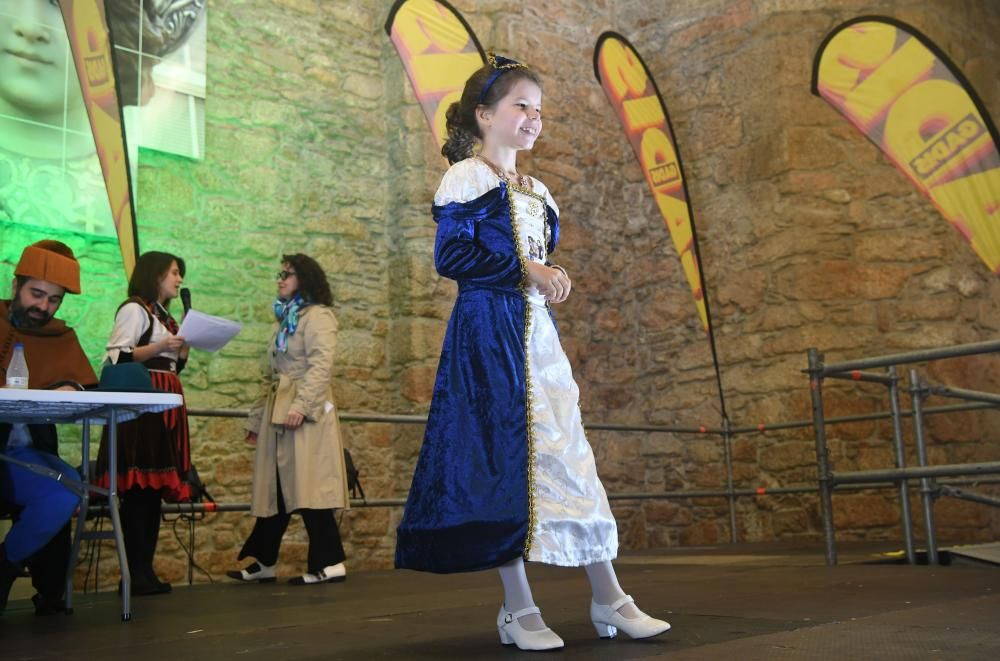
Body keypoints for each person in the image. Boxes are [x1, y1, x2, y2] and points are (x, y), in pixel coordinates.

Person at [394, 54, 671, 651]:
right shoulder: (466, 179)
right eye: (520, 105)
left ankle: (610, 598)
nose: (532, 118)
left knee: (568, 456)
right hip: (488, 335)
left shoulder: (539, 190)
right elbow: (454, 259)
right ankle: (519, 608)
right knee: (504, 459)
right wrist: (528, 268)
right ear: (485, 114)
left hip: (537, 339)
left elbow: (536, 261)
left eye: (538, 109)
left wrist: (550, 274)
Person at [228, 254, 350, 586]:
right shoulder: (286, 320)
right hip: (278, 411)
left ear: (305, 280)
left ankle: (331, 561)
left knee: (309, 487)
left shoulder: (318, 317)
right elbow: (271, 377)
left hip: (302, 413)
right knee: (277, 489)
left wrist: (302, 405)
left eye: (289, 274)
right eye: (279, 274)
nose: (280, 279)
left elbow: (321, 366)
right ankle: (265, 561)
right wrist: (256, 422)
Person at [1, 240, 98, 616]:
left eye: (53, 300)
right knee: (60, 493)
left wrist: (69, 387)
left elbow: (85, 386)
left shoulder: (59, 336)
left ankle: (8, 567)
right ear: (16, 286)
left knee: (72, 485)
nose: (43, 307)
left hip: (31, 452)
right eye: (36, 294)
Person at [95, 251, 191, 596]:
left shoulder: (163, 316)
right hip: (141, 404)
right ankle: (133, 572)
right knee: (139, 490)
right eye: (174, 272)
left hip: (163, 400)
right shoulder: (134, 309)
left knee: (152, 495)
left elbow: (170, 367)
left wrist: (178, 352)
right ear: (155, 274)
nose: (179, 280)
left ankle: (142, 571)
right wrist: (162, 346)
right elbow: (117, 355)